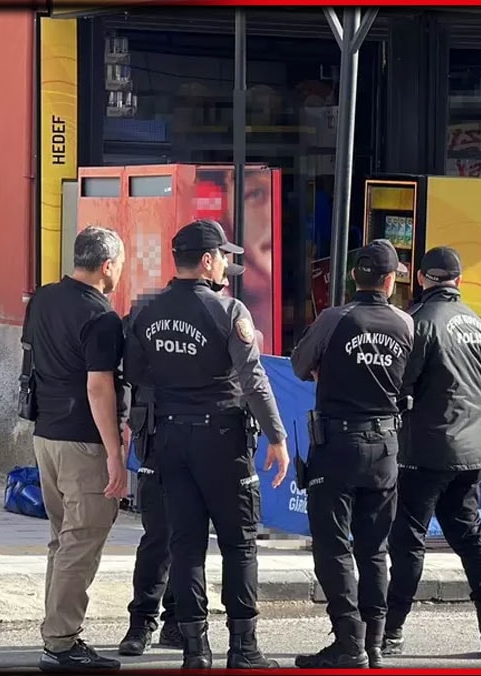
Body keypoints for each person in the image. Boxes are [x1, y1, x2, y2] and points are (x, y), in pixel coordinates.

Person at [124, 219, 289, 669]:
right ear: (207, 260)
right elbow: (254, 381)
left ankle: (195, 651)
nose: (226, 268)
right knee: (240, 544)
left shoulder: (145, 312)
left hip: (169, 439)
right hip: (222, 440)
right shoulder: (230, 311)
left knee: (185, 544)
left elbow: (135, 373)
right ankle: (244, 648)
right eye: (223, 259)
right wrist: (276, 436)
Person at [289, 240, 415, 669]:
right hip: (384, 445)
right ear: (390, 279)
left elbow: (299, 365)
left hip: (338, 445)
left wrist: (328, 369)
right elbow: (411, 380)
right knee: (374, 548)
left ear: (354, 277)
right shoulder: (405, 323)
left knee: (333, 547)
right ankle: (373, 643)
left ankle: (350, 642)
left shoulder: (334, 318)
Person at [384, 247, 481, 660]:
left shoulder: (419, 321)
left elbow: (402, 384)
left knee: (408, 539)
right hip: (471, 448)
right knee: (470, 535)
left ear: (422, 278)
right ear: (459, 280)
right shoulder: (478, 323)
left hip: (425, 449)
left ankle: (392, 630)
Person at [117, 263, 244, 657]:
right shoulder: (153, 309)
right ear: (208, 266)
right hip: (162, 433)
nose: (227, 279)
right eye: (224, 269)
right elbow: (132, 370)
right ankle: (142, 621)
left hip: (194, 437)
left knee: (186, 538)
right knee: (161, 533)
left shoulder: (221, 314)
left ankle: (178, 622)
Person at [23, 226, 129, 672]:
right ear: (106, 266)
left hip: (46, 436)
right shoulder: (101, 317)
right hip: (83, 442)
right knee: (80, 543)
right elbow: (98, 387)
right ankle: (60, 644)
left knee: (63, 540)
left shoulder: (43, 298)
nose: (120, 272)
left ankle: (57, 633)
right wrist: (115, 454)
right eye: (119, 265)